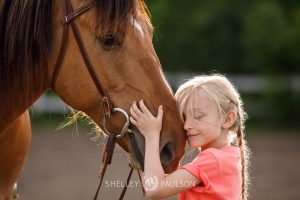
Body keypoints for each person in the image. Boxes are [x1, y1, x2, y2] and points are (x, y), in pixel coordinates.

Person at [129, 74, 250, 200]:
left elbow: (155, 189)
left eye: (198, 116)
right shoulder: (230, 156)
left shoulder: (213, 160)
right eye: (184, 118)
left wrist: (151, 135)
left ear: (227, 119)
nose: (187, 125)